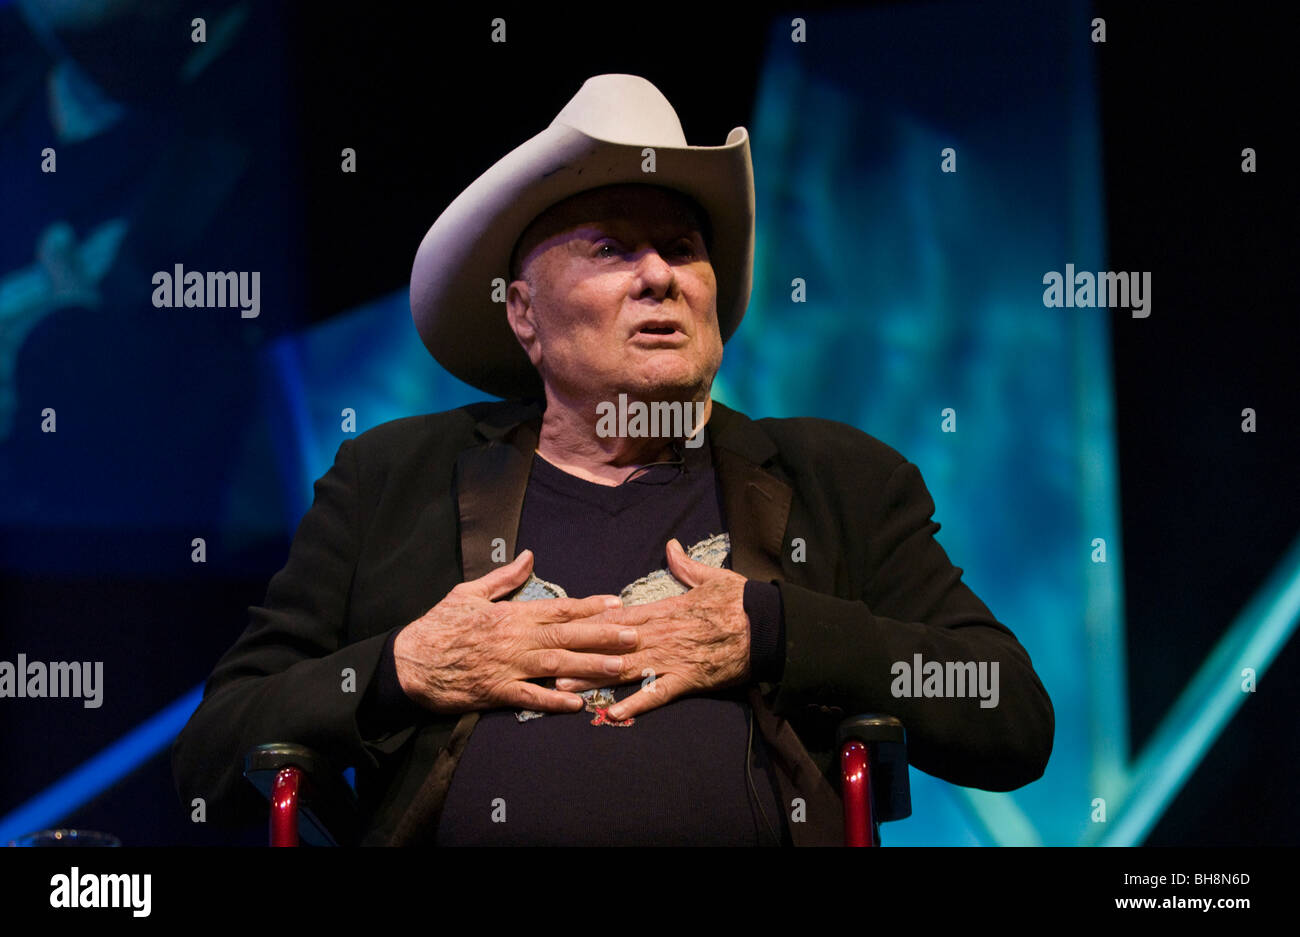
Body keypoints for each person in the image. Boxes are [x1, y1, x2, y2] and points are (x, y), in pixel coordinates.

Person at [172, 74, 1054, 846]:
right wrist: (407, 665)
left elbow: (1008, 712)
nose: (659, 276)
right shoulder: (392, 480)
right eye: (611, 247)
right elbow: (213, 759)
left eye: (681, 248)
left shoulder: (836, 479)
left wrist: (777, 632)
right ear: (523, 313)